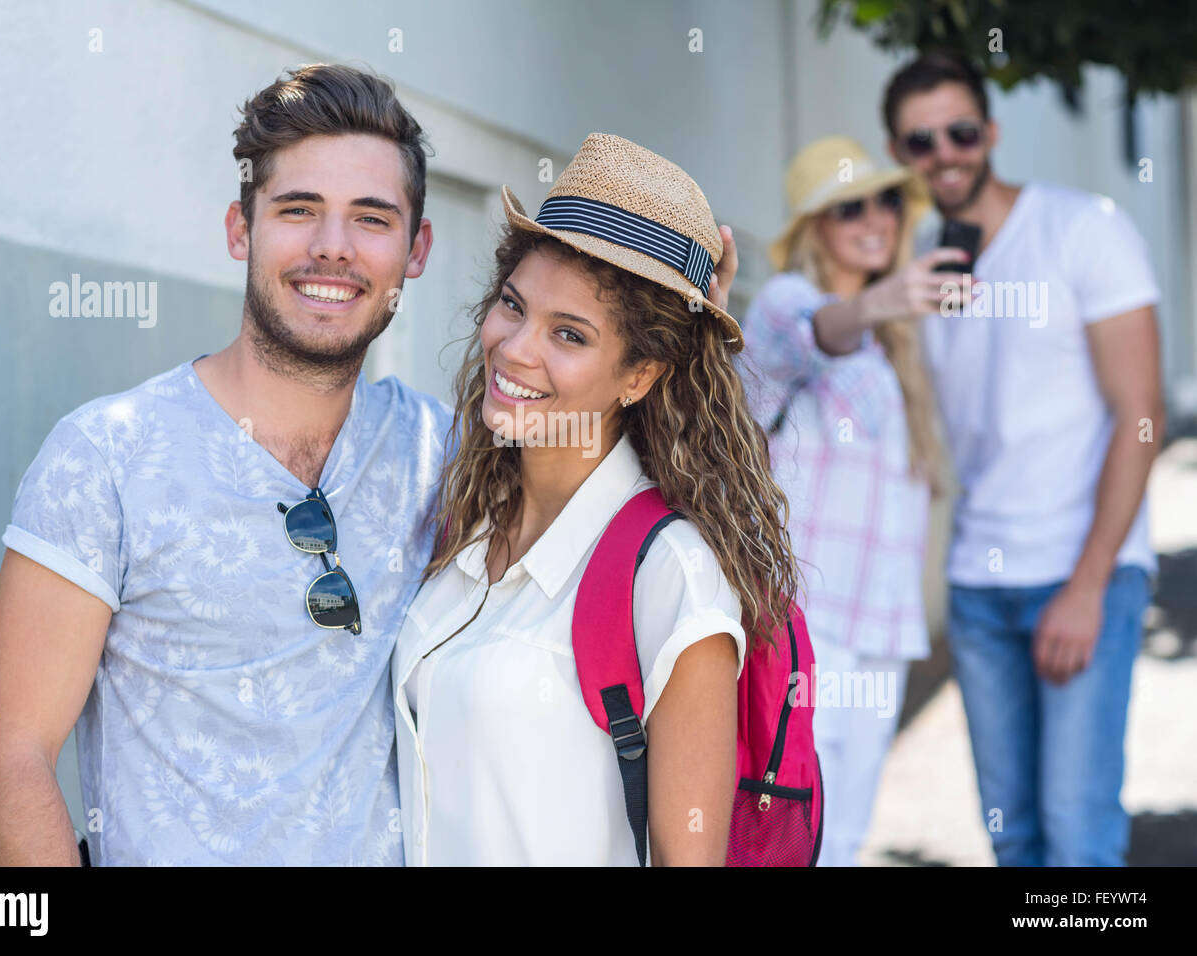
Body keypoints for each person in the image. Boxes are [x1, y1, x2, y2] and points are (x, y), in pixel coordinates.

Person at [0, 64, 450, 865]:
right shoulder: (105, 457)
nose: (333, 248)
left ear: (416, 247)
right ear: (240, 229)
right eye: (298, 210)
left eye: (371, 218)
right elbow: (3, 763)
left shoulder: (443, 452)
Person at [390, 133, 797, 866]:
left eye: (568, 334)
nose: (515, 348)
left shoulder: (672, 575)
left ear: (639, 375)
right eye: (513, 306)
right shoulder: (464, 523)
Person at [882, 51, 1165, 866]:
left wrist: (1089, 584)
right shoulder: (922, 270)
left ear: (991, 132)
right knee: (1016, 839)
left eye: (960, 131)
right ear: (903, 154)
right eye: (921, 140)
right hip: (979, 584)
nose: (945, 153)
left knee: (1078, 837)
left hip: (1080, 573)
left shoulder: (1084, 228)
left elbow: (1140, 416)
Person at [738, 136, 956, 866]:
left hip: (881, 630)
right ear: (813, 230)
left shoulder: (898, 345)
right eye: (849, 206)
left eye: (888, 199)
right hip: (808, 625)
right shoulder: (789, 303)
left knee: (847, 833)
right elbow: (818, 335)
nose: (876, 218)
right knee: (798, 830)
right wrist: (883, 299)